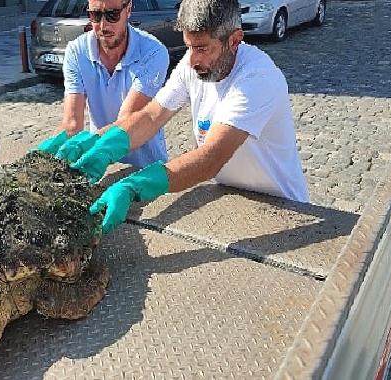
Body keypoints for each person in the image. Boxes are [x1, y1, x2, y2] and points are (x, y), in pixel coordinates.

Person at [41, 0, 310, 234]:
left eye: (202, 48)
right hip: (229, 195)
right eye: (188, 47)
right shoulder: (191, 64)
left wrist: (137, 185)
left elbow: (211, 158)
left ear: (235, 40)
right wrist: (104, 146)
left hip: (283, 207)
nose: (192, 60)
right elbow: (151, 116)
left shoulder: (256, 78)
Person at [37, 0, 170, 168]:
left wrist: (86, 145)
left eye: (112, 15)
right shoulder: (77, 52)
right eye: (95, 15)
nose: (103, 25)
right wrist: (43, 158)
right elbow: (72, 123)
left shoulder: (153, 53)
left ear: (128, 9)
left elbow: (127, 120)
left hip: (144, 164)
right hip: (99, 159)